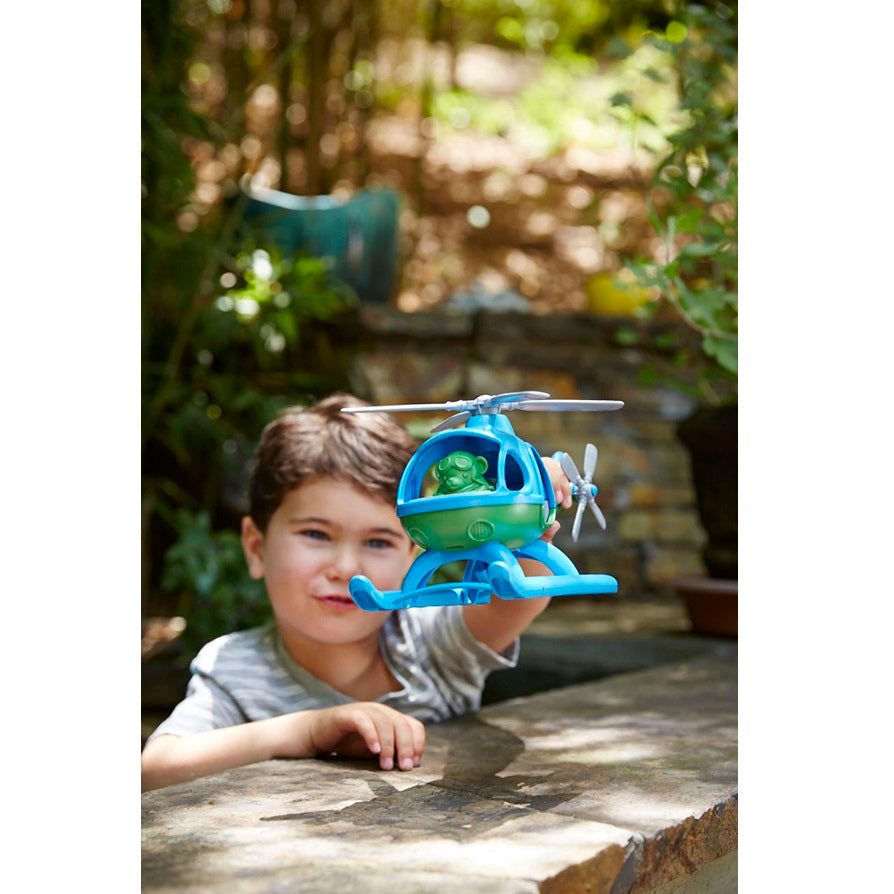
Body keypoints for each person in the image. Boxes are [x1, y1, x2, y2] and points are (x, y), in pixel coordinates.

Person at [141, 393, 573, 791]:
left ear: (414, 555)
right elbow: (155, 768)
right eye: (315, 534)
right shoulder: (236, 669)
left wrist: (528, 511)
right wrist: (308, 730)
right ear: (256, 548)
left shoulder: (433, 642)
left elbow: (519, 596)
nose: (345, 568)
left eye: (378, 542)